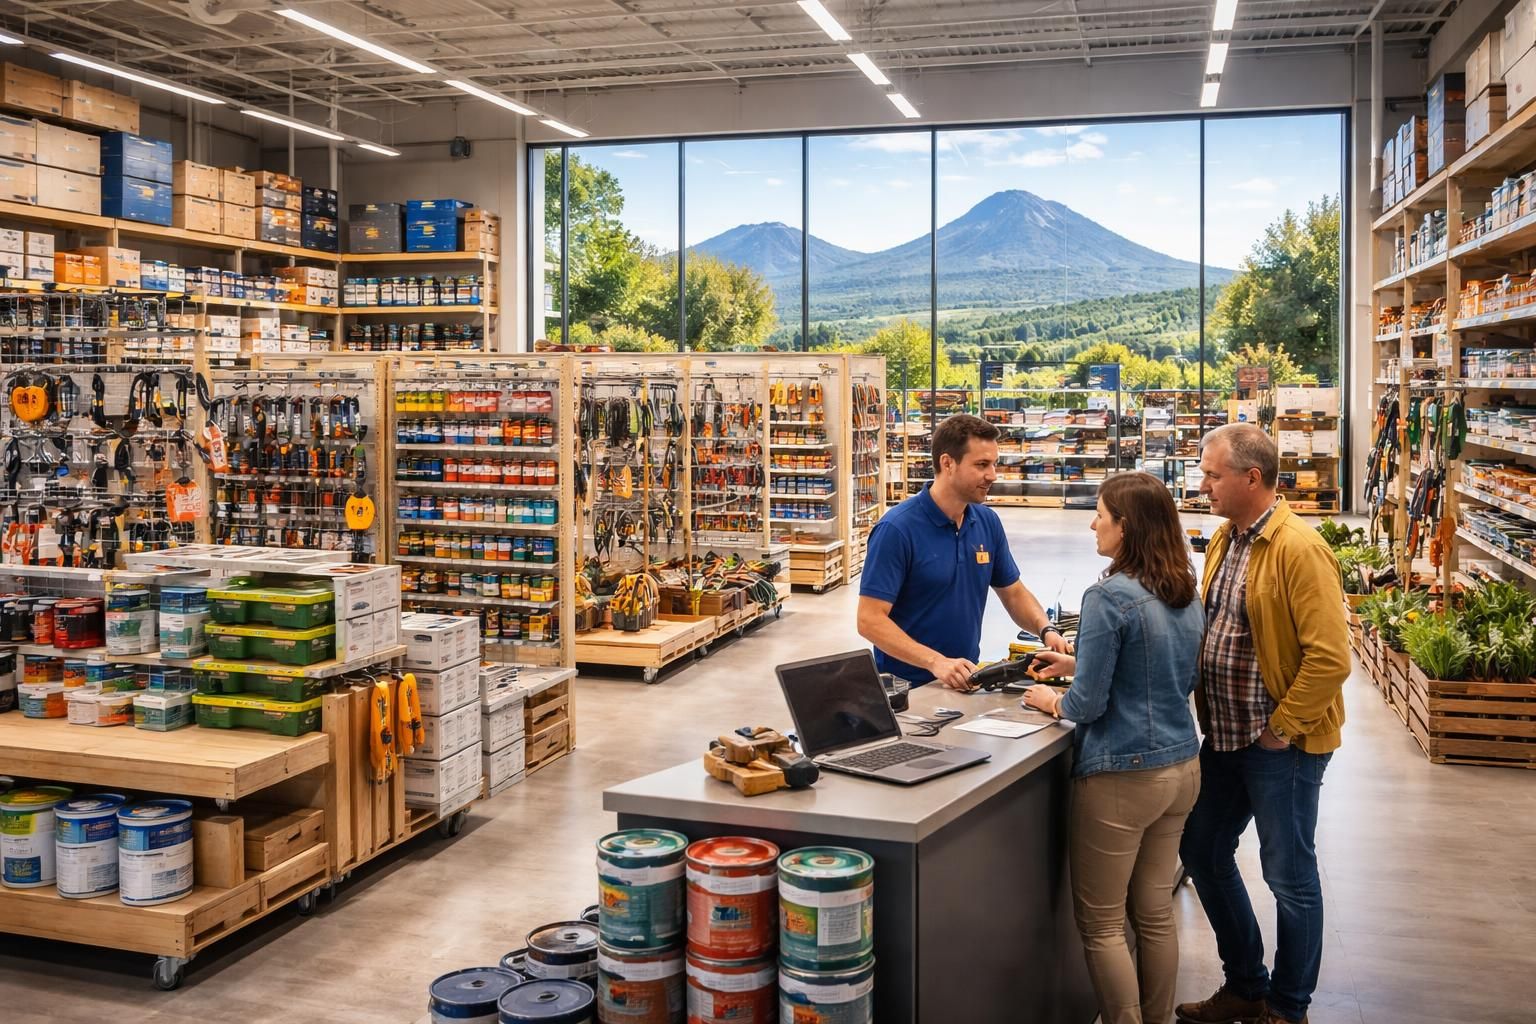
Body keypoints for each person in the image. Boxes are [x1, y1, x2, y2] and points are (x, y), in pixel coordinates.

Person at [1175, 423, 1350, 1024]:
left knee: (1289, 875)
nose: (1203, 484)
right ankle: (1247, 984)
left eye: (1212, 474)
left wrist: (1282, 729)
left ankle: (1287, 1006)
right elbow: (1213, 625)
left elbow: (1331, 657)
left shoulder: (1300, 549)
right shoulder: (1227, 538)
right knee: (1201, 847)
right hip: (1224, 735)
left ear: (1252, 478)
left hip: (1281, 745)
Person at [1018, 471, 1204, 1024]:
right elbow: (1163, 671)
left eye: (1101, 513)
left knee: (1101, 924)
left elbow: (1085, 707)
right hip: (1181, 767)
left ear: (1127, 527)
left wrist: (1048, 699)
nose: (1093, 522)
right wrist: (1080, 665)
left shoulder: (1106, 596)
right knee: (1153, 911)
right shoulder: (1184, 590)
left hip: (1123, 777)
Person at [857, 413, 1071, 690]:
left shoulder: (986, 522)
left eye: (994, 464)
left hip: (965, 681)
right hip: (906, 688)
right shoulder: (897, 529)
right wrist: (936, 662)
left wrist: (1046, 629)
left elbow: (1013, 592)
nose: (992, 475)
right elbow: (869, 620)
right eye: (982, 464)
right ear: (948, 463)